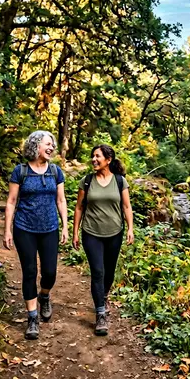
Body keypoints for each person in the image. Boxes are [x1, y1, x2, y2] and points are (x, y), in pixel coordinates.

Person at [4, 130, 68, 340]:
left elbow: (60, 200)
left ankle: (45, 296)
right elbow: (12, 201)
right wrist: (7, 230)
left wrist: (65, 226)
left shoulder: (56, 172)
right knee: (29, 271)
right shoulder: (20, 171)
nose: (51, 148)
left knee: (50, 272)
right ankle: (32, 318)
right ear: (35, 146)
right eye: (47, 144)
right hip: (25, 229)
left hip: (49, 228)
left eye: (52, 145)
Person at [72, 144, 134, 336]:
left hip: (115, 233)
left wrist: (130, 228)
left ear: (108, 160)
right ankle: (100, 314)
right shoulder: (87, 181)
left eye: (97, 156)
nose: (93, 159)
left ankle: (104, 295)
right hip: (91, 233)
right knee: (97, 271)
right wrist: (74, 232)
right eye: (92, 156)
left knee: (109, 272)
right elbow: (79, 208)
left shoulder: (120, 181)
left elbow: (126, 207)